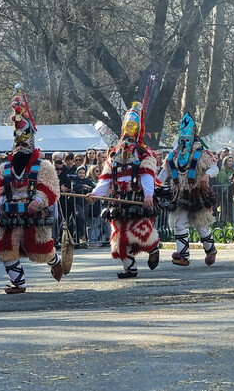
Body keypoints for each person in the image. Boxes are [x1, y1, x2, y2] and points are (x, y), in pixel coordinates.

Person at [0, 85, 63, 293]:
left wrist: (39, 200)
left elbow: (51, 188)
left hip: (34, 214)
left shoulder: (43, 166)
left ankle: (55, 261)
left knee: (40, 249)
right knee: (5, 248)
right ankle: (19, 284)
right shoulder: (4, 167)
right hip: (10, 215)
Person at [87, 103, 160, 278]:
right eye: (125, 137)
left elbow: (147, 175)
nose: (127, 142)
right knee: (118, 238)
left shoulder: (145, 154)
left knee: (140, 233)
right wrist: (95, 194)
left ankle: (154, 248)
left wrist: (149, 194)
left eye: (131, 138)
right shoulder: (113, 156)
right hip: (119, 203)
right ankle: (130, 268)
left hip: (138, 201)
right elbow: (105, 180)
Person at [157, 112, 219, 267]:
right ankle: (183, 255)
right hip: (179, 195)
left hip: (198, 194)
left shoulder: (202, 153)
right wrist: (155, 186)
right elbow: (164, 172)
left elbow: (214, 167)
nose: (184, 140)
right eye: (182, 137)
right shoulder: (173, 156)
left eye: (187, 137)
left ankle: (211, 250)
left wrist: (207, 176)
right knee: (179, 224)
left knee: (201, 225)